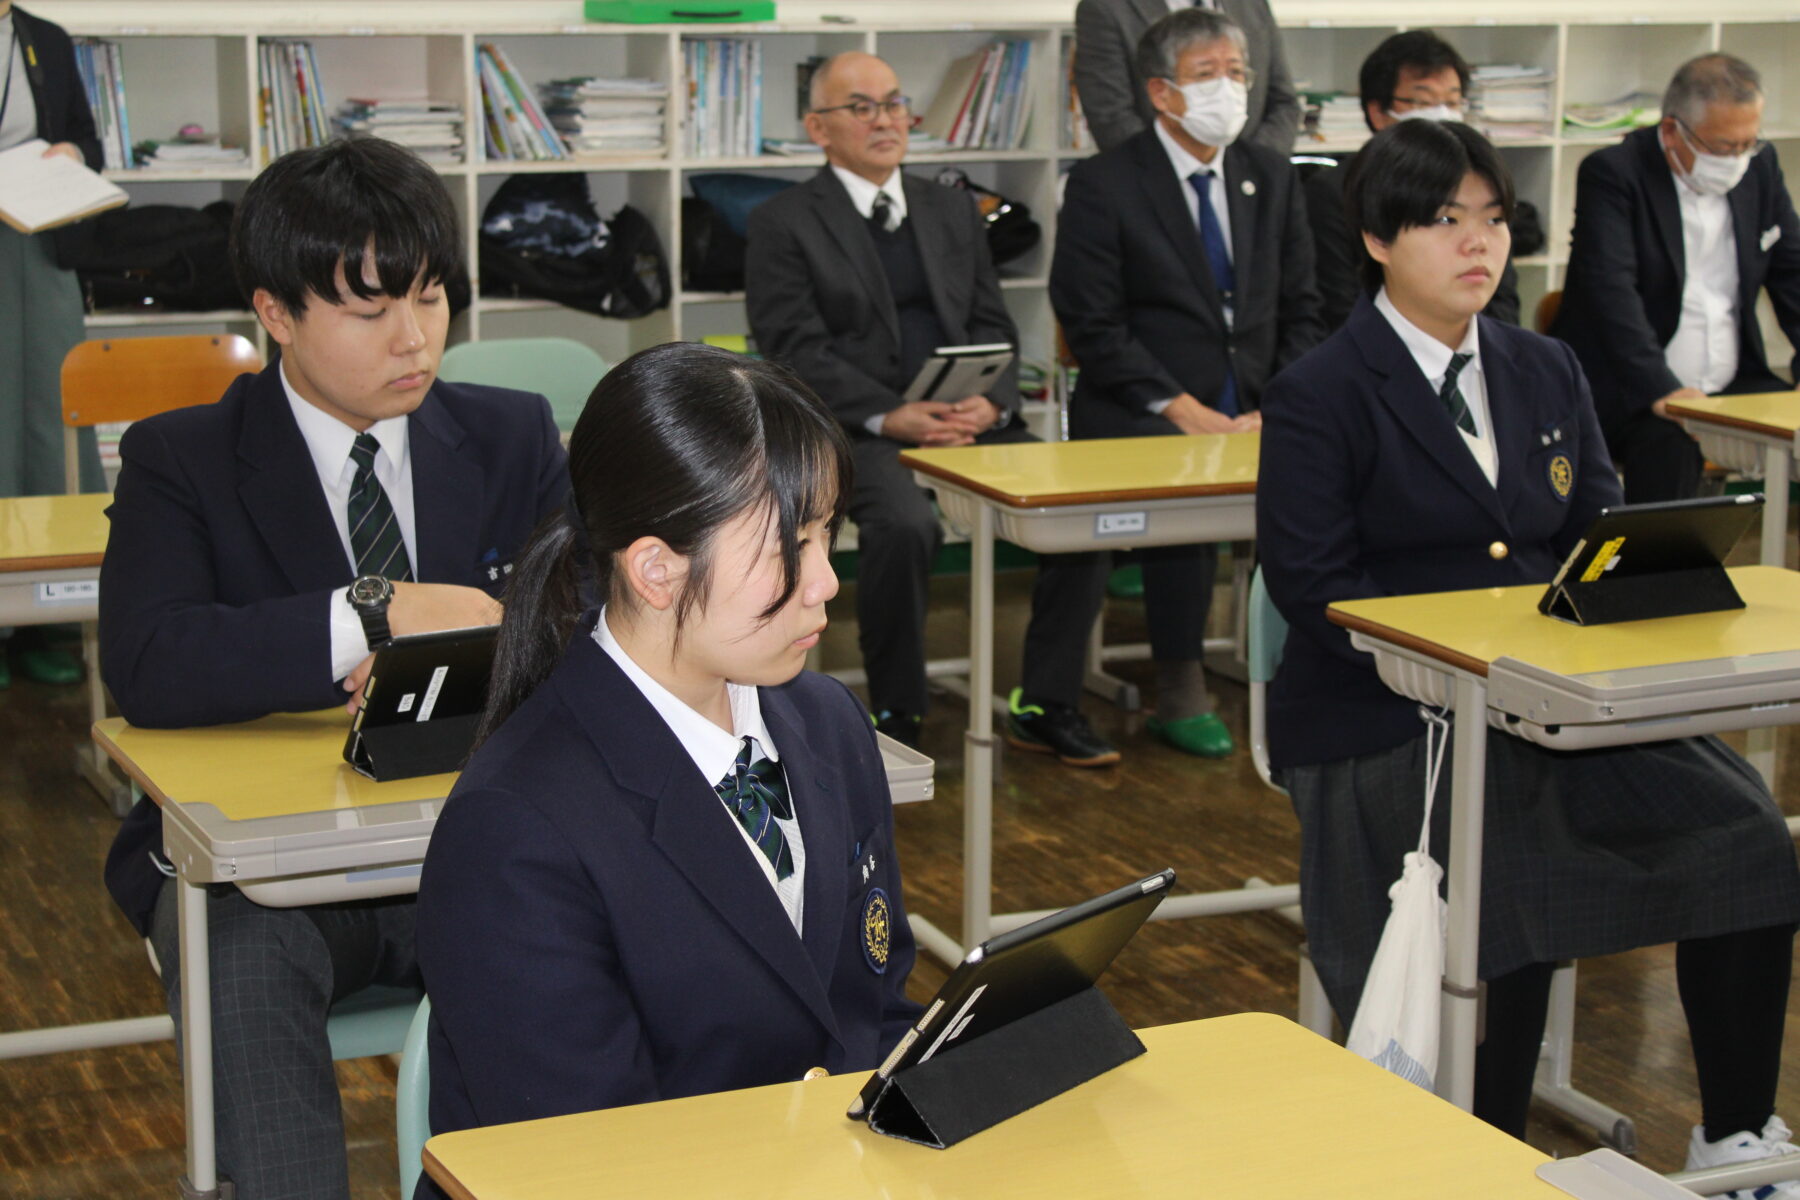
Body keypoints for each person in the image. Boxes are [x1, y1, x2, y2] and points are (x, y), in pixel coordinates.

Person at [1258, 118, 1800, 1181]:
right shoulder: (1320, 389)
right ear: (1377, 238)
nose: (1479, 245)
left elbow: (1591, 533)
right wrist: (1469, 650)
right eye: (1445, 221)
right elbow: (1314, 587)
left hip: (1548, 699)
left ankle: (1737, 1134)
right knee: (1505, 887)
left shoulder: (1543, 366)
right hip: (1385, 714)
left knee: (1751, 839)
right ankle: (1483, 1156)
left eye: (1494, 221)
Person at [98, 137, 569, 1200]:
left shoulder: (511, 435)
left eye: (433, 297)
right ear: (275, 313)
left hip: (484, 844)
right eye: (369, 311)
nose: (415, 339)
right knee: (241, 947)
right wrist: (369, 613)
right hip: (287, 877)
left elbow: (589, 632)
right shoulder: (182, 459)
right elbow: (149, 663)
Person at [414, 343, 921, 1168]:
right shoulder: (515, 830)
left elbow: (874, 1009)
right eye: (790, 547)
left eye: (828, 533)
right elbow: (588, 1162)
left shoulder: (828, 724)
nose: (825, 580)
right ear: (655, 569)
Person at [746, 51, 1116, 767]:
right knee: (906, 524)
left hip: (969, 421)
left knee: (1079, 511)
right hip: (862, 431)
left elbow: (995, 323)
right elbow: (794, 351)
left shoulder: (951, 206)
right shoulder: (783, 222)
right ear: (819, 129)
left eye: (893, 103)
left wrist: (990, 400)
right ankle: (897, 709)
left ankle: (1045, 702)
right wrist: (892, 415)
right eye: (862, 107)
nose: (885, 120)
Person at [1052, 8, 1322, 758]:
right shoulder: (1107, 183)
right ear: (1163, 94)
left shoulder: (1268, 176)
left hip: (1260, 400)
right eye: (1209, 77)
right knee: (1186, 477)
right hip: (1147, 399)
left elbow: (1306, 306)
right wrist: (1184, 407)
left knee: (1325, 472)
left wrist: (1280, 403)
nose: (1229, 91)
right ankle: (1181, 684)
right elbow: (1093, 324)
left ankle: (1302, 665)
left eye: (1238, 74)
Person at [1551, 53, 1800, 504]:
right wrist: (1663, 389)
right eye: (1724, 148)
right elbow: (1609, 291)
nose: (1738, 159)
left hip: (1734, 383)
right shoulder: (1614, 174)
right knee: (1672, 448)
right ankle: (1660, 577)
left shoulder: (1760, 169)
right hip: (1636, 391)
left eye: (1749, 144)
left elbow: (1793, 271)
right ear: (1671, 131)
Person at [0, 1, 104, 688]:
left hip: (37, 240)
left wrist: (70, 155)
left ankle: (54, 620)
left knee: (51, 420)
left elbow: (86, 142)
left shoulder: (44, 37)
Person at [1303, 29, 1521, 331]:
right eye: (1423, 102)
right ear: (1378, 113)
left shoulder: (1480, 183)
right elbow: (1338, 306)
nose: (1441, 114)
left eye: (1452, 102)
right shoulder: (1334, 192)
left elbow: (1503, 303)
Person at [1073, 0, 1300, 155]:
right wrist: (1185, 171)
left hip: (1252, 185)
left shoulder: (1251, 4)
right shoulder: (1106, 8)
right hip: (1155, 188)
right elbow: (1111, 116)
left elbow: (1284, 102)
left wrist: (1246, 168)